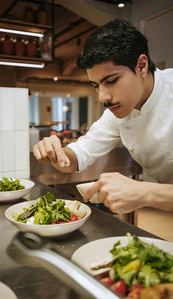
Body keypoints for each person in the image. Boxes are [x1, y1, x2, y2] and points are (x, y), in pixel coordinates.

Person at [33, 19, 173, 214]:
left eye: (112, 80)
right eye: (96, 85)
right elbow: (78, 156)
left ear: (141, 66)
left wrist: (145, 193)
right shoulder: (118, 114)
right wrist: (57, 153)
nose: (102, 97)